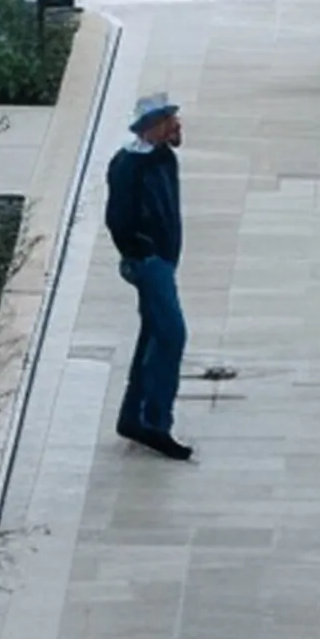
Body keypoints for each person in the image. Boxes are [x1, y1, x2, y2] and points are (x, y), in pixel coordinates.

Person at [104, 93, 193, 461]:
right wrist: (143, 253)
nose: (178, 126)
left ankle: (135, 417)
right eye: (171, 121)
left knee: (155, 334)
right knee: (172, 334)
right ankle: (154, 422)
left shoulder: (163, 158)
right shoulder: (128, 165)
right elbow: (118, 219)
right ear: (153, 127)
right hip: (149, 263)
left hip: (162, 260)